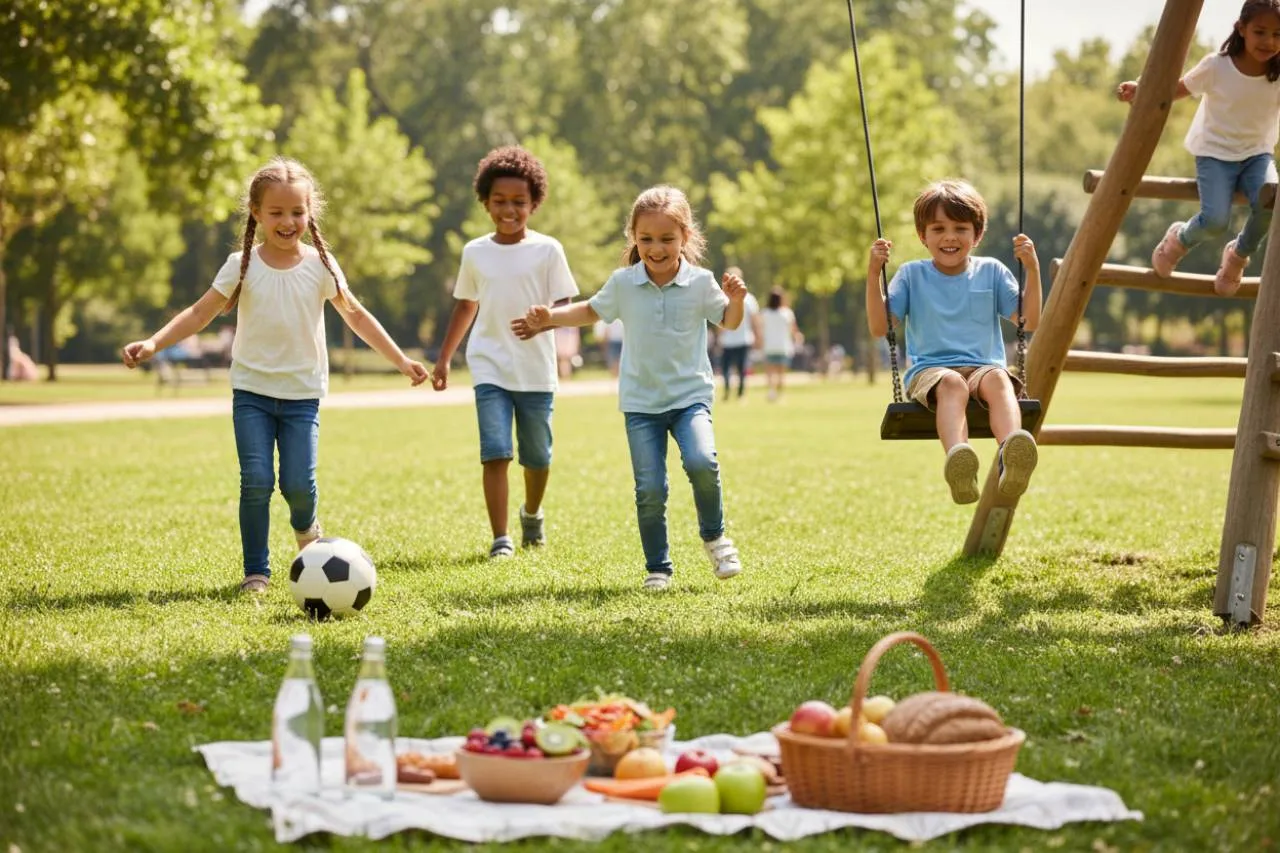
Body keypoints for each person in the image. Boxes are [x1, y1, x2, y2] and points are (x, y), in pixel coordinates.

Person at [122, 157, 427, 593]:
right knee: (257, 481)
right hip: (252, 392)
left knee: (298, 484)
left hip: (302, 394)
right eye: (277, 212)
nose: (288, 221)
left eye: (297, 212)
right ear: (256, 213)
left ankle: (307, 528)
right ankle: (257, 572)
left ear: (310, 212)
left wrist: (401, 360)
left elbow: (356, 315)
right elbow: (200, 313)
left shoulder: (321, 264)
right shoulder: (241, 265)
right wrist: (154, 343)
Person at [512, 185, 747, 591]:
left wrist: (736, 299)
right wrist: (548, 317)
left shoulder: (700, 282)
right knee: (650, 488)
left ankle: (715, 538)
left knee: (702, 461)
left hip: (690, 398)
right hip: (641, 404)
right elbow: (590, 310)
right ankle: (658, 568)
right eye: (646, 239)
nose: (656, 248)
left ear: (686, 237)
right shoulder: (624, 283)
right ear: (633, 237)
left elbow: (729, 321)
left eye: (667, 239)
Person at [431, 146, 578, 559]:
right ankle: (501, 538)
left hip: (535, 370)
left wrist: (544, 321)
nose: (509, 210)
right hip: (489, 365)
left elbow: (565, 303)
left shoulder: (548, 250)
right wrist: (444, 358)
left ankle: (531, 514)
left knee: (538, 458)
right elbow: (466, 305)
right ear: (485, 202)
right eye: (499, 201)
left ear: (534, 203)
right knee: (495, 452)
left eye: (519, 202)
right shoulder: (475, 252)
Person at [865, 179, 1042, 505]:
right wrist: (874, 273)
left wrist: (1032, 269)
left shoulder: (992, 271)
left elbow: (1028, 320)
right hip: (930, 371)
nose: (950, 236)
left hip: (983, 368)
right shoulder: (911, 275)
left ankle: (1011, 455)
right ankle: (960, 462)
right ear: (923, 236)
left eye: (960, 228)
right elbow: (880, 327)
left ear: (977, 235)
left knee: (999, 378)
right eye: (938, 228)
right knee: (952, 384)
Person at [1117, 0, 1280, 294]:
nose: (1269, 41)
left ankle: (1237, 256)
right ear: (1241, 29)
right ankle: (1179, 238)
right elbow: (1177, 88)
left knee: (1271, 202)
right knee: (1215, 220)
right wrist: (1141, 90)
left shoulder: (1277, 73)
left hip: (1257, 155)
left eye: (1278, 35)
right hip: (1214, 154)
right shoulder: (1217, 66)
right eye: (1260, 32)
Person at [715, 266, 761, 400]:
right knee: (726, 369)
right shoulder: (722, 297)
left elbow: (754, 321)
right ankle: (728, 391)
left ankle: (740, 393)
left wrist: (758, 337)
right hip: (728, 341)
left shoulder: (749, 299)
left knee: (741, 369)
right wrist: (719, 337)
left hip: (743, 339)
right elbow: (719, 320)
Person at [759, 287, 800, 402]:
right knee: (781, 374)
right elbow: (793, 330)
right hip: (783, 346)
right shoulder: (787, 313)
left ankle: (771, 392)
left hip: (769, 347)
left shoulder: (764, 313)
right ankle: (780, 395)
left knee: (770, 373)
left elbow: (760, 330)